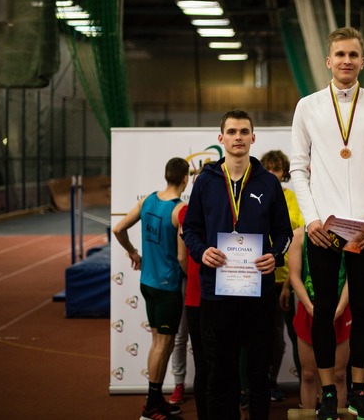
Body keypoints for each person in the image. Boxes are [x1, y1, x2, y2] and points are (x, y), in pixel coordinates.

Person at [290, 27, 364, 420]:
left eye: (353, 54)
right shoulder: (308, 106)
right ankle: (330, 395)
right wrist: (312, 218)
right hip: (324, 228)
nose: (347, 61)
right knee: (322, 310)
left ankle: (357, 391)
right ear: (328, 61)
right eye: (340, 54)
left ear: (362, 61)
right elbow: (298, 169)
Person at [182, 110, 293, 420]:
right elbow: (189, 230)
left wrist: (275, 254)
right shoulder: (205, 181)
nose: (238, 137)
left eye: (244, 131)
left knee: (259, 373)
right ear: (221, 139)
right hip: (217, 294)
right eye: (232, 132)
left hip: (259, 293)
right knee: (220, 374)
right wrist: (202, 252)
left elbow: (283, 233)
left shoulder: (269, 183)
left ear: (253, 138)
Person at [112, 157, 189, 420]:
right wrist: (194, 280)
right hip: (168, 287)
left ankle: (156, 401)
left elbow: (119, 228)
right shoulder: (179, 210)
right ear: (185, 179)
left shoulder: (147, 200)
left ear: (166, 176)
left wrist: (133, 252)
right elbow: (181, 258)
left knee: (160, 343)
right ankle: (150, 409)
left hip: (148, 283)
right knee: (162, 345)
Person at [288, 230, 351, 411]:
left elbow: (352, 275)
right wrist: (310, 307)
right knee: (308, 374)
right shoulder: (299, 236)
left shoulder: (345, 234)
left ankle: (335, 413)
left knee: (338, 375)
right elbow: (294, 275)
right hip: (310, 308)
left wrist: (339, 309)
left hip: (340, 308)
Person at [261, 149, 305, 402]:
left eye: (276, 170)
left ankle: (306, 388)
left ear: (284, 173)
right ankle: (264, 385)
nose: (272, 175)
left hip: (288, 279)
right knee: (266, 337)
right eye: (268, 169)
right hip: (259, 278)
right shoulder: (253, 196)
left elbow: (297, 242)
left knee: (296, 335)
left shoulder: (294, 200)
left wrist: (289, 282)